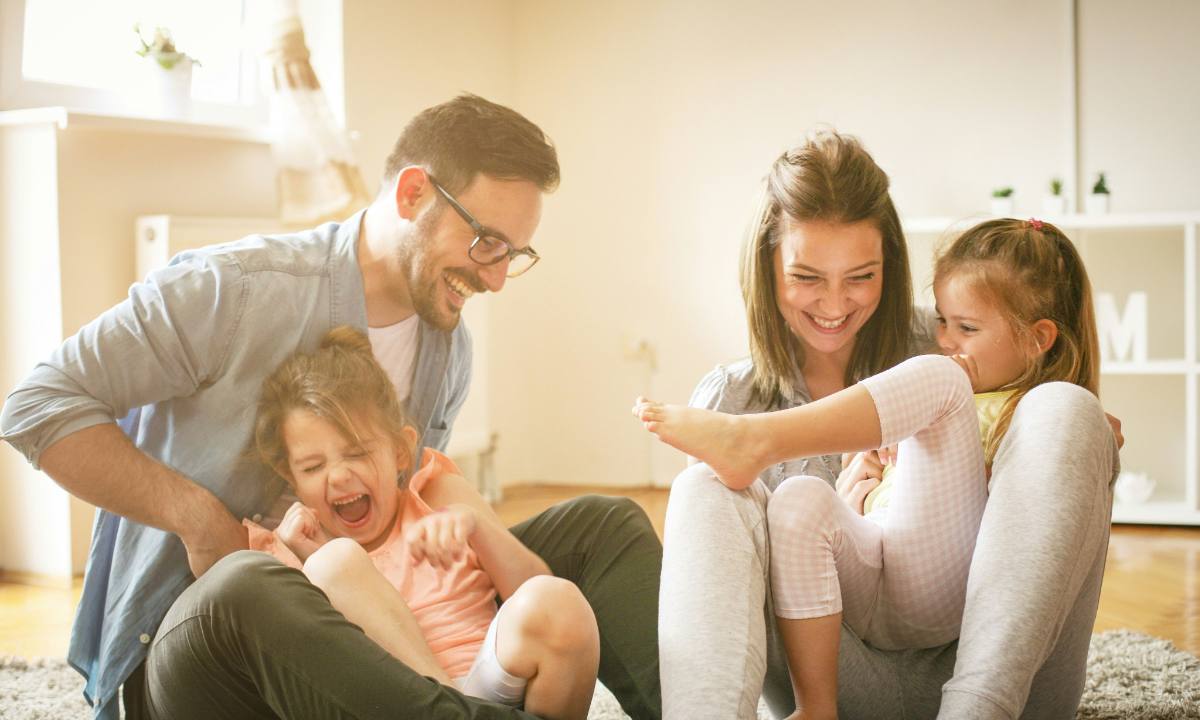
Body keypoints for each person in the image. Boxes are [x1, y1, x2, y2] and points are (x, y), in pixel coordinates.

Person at [0, 93, 660, 720]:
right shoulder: (235, 288)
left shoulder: (447, 348)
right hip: (216, 652)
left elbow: (402, 540)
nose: (495, 278)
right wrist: (199, 520)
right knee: (250, 582)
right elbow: (37, 404)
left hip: (372, 639)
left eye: (513, 255)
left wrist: (459, 530)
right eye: (486, 241)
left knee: (602, 527)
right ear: (413, 192)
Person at [653, 130, 1118, 720]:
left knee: (1065, 406)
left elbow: (1058, 436)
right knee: (702, 486)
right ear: (766, 268)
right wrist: (847, 505)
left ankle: (976, 710)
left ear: (890, 266)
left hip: (1001, 679)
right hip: (832, 685)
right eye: (807, 277)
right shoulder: (730, 396)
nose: (834, 305)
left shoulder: (956, 342)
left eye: (860, 276)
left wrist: (1074, 429)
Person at [248, 326, 599, 719]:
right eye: (313, 467)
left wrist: (478, 528)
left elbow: (533, 592)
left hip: (485, 687)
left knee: (559, 601)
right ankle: (450, 709)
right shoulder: (287, 546)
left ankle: (457, 710)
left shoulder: (437, 495)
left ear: (400, 451)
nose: (339, 476)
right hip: (400, 705)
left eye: (357, 453)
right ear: (290, 476)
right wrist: (307, 561)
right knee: (334, 562)